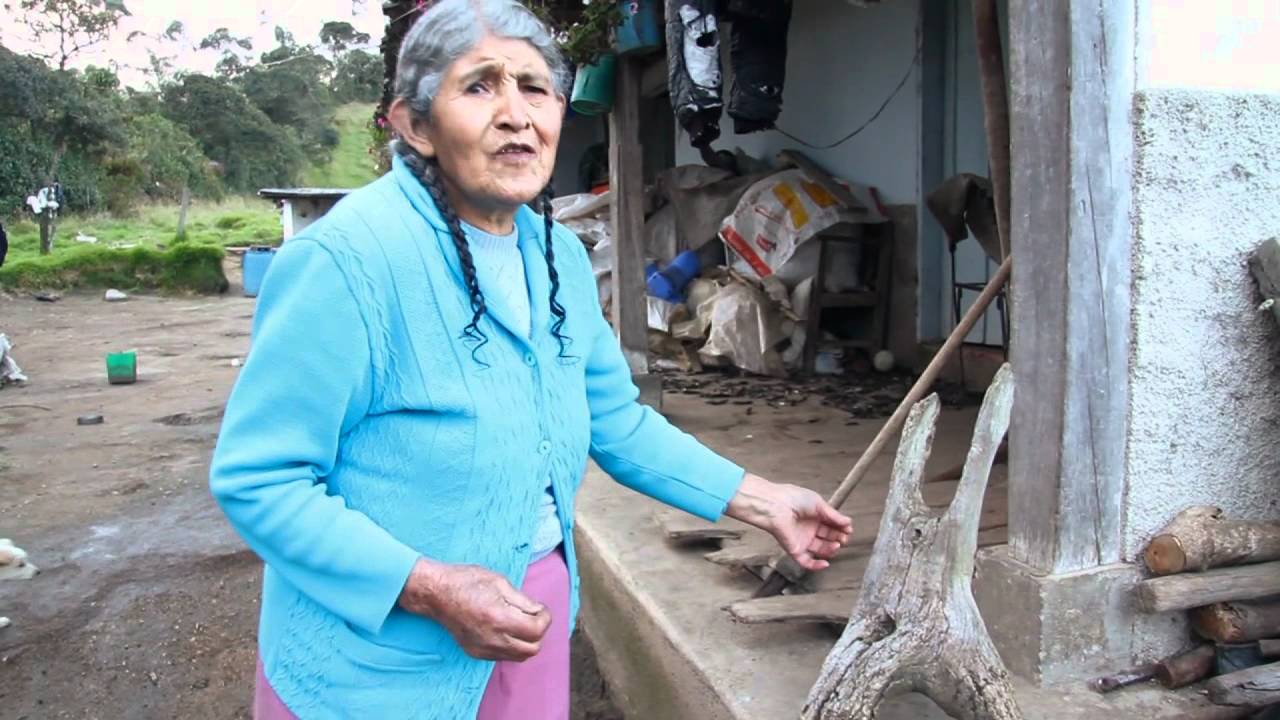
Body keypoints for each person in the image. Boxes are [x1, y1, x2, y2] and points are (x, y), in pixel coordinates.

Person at [209, 2, 853, 718]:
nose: (517, 114)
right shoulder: (345, 263)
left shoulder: (557, 258)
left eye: (535, 86)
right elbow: (261, 478)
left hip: (527, 628)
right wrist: (428, 586)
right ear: (415, 125)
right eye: (479, 86)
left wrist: (764, 501)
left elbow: (614, 422)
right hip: (376, 666)